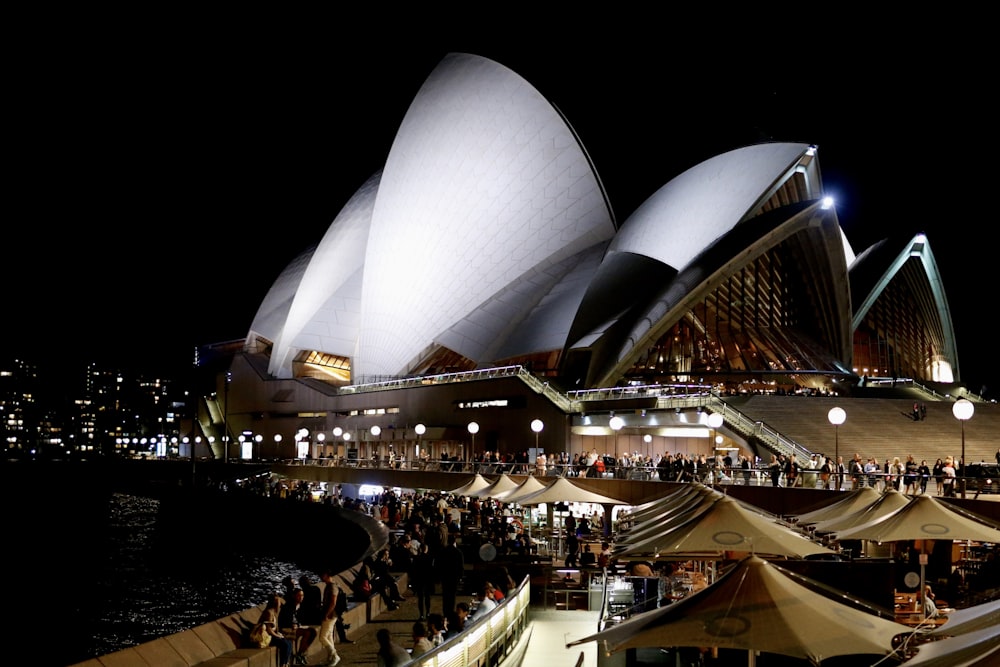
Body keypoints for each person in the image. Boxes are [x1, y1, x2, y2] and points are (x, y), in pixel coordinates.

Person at [278, 587, 317, 665]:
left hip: (297, 627)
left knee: (314, 632)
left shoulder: (301, 606)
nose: (301, 598)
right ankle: (300, 655)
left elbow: (302, 619)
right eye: (299, 595)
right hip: (287, 628)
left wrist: (298, 624)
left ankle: (301, 653)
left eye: (302, 595)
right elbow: (282, 620)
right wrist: (292, 625)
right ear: (294, 596)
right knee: (308, 633)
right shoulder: (288, 606)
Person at [257, 594, 293, 667]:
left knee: (289, 643)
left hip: (272, 635)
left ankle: (286, 663)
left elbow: (275, 628)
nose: (280, 604)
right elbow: (269, 630)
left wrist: (279, 634)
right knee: (285, 644)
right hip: (267, 637)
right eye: (279, 602)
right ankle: (283, 664)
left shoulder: (274, 612)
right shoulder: (269, 613)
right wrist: (278, 636)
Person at [436, 534, 465, 616]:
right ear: (454, 541)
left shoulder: (442, 551)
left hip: (445, 577)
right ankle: (450, 612)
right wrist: (460, 577)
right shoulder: (458, 552)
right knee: (452, 596)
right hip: (454, 577)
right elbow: (461, 566)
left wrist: (439, 576)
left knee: (445, 595)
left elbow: (438, 565)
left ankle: (445, 611)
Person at [317, 570, 341, 667]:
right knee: (329, 636)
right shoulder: (331, 585)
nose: (320, 577)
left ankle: (335, 656)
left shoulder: (332, 587)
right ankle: (330, 658)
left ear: (327, 575)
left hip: (330, 615)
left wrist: (326, 614)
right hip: (331, 614)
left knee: (322, 637)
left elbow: (333, 602)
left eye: (322, 575)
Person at [410, 541, 434, 620]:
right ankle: (428, 612)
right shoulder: (430, 558)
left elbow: (413, 570)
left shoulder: (416, 558)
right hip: (428, 579)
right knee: (427, 597)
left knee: (420, 598)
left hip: (419, 580)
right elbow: (432, 570)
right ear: (426, 549)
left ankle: (421, 614)